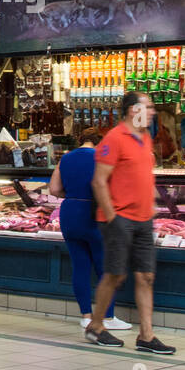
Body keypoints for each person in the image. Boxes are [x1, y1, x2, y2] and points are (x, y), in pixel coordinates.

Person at [84, 91, 175, 356]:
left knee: (146, 276)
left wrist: (152, 204)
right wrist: (112, 216)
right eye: (149, 107)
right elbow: (99, 181)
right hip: (119, 218)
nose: (153, 112)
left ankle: (146, 335)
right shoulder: (113, 139)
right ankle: (96, 326)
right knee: (116, 274)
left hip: (144, 218)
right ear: (133, 110)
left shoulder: (145, 138)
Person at [49, 127, 129, 331]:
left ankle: (85, 315)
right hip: (95, 213)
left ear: (81, 140)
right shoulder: (103, 157)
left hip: (70, 213)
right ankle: (108, 316)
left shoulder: (65, 158)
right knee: (105, 267)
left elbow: (54, 189)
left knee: (80, 265)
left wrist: (73, 194)